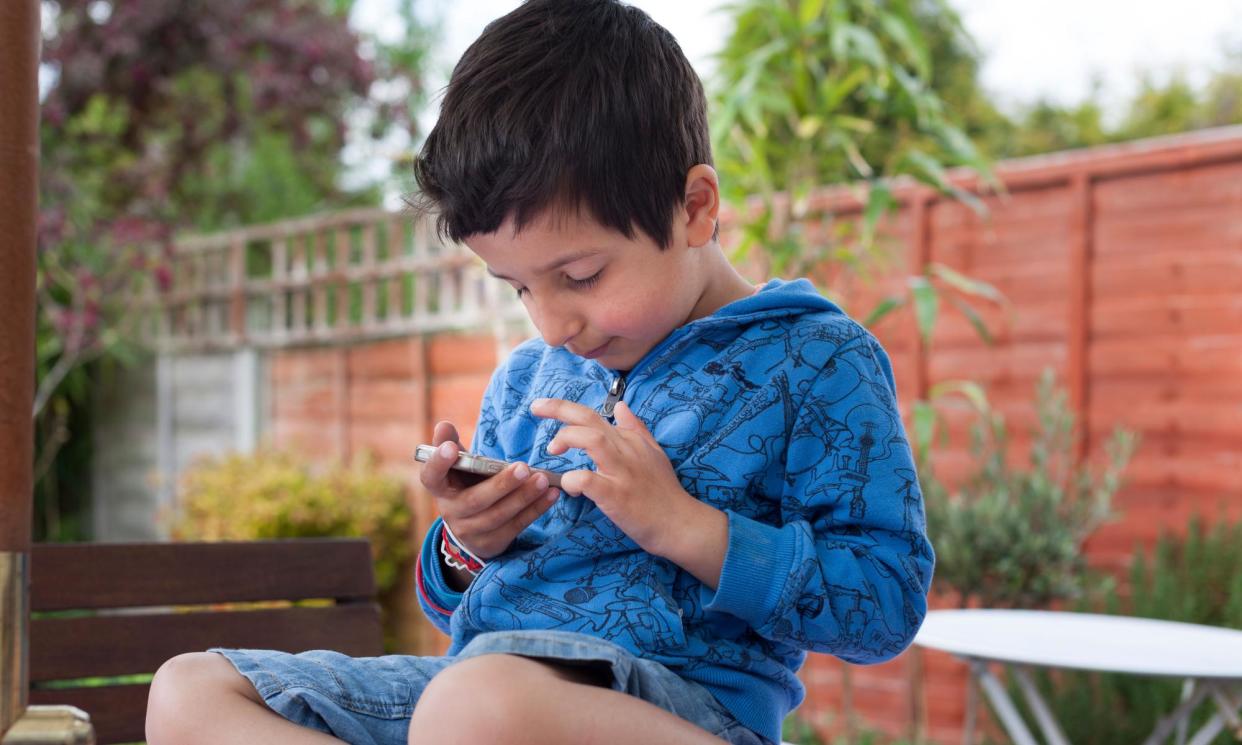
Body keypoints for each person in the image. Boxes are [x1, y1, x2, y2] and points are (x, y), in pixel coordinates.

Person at [144, 1, 934, 744]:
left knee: (474, 707)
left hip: (680, 710)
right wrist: (465, 540)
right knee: (189, 693)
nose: (552, 324)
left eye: (582, 275)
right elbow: (456, 608)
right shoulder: (530, 380)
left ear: (695, 207)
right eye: (519, 287)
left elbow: (885, 604)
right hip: (479, 695)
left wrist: (687, 528)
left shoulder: (815, 359)